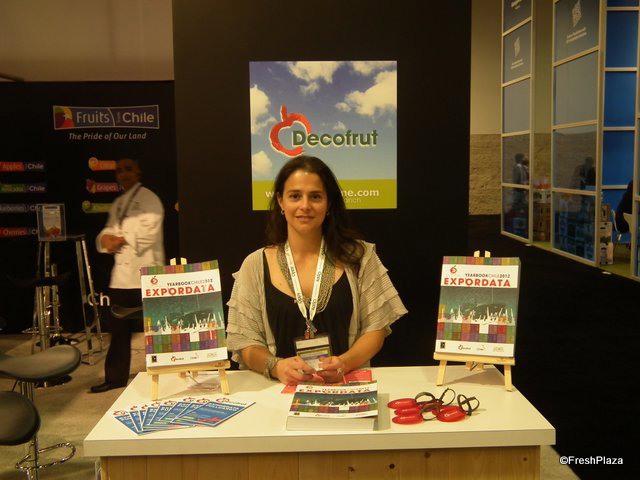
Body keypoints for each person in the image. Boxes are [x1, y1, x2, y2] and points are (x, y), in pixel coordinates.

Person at [226, 155, 407, 385]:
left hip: (345, 388)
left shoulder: (360, 257)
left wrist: (344, 363)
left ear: (328, 203)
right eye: (295, 196)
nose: (305, 206)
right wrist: (276, 367)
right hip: (277, 394)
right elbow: (245, 343)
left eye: (315, 196)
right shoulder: (254, 265)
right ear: (281, 201)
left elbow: (376, 329)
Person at [90, 158, 165, 393]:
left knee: (157, 332)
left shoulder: (150, 199)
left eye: (128, 169)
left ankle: (165, 377)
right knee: (119, 332)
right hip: (121, 278)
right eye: (120, 171)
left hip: (147, 275)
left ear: (138, 172)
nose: (124, 174)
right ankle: (115, 378)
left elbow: (149, 234)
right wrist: (105, 239)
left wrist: (119, 239)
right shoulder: (119, 203)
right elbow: (107, 232)